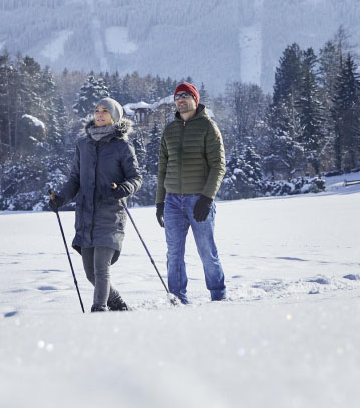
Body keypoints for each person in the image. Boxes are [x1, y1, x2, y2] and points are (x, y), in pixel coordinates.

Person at [49, 98, 141, 312]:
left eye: (105, 111)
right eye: (97, 110)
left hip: (110, 213)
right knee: (90, 272)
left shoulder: (122, 145)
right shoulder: (83, 144)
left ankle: (99, 310)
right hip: (86, 215)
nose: (99, 114)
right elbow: (75, 179)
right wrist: (61, 198)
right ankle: (116, 302)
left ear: (114, 116)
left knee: (101, 269)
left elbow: (136, 177)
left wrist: (124, 189)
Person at [155, 82, 227, 303]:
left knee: (207, 251)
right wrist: (160, 202)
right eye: (177, 96)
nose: (181, 100)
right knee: (174, 254)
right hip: (173, 202)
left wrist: (207, 198)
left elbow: (218, 165)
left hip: (199, 200)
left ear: (196, 99)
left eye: (186, 96)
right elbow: (162, 168)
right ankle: (177, 298)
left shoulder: (208, 127)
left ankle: (218, 295)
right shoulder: (170, 130)